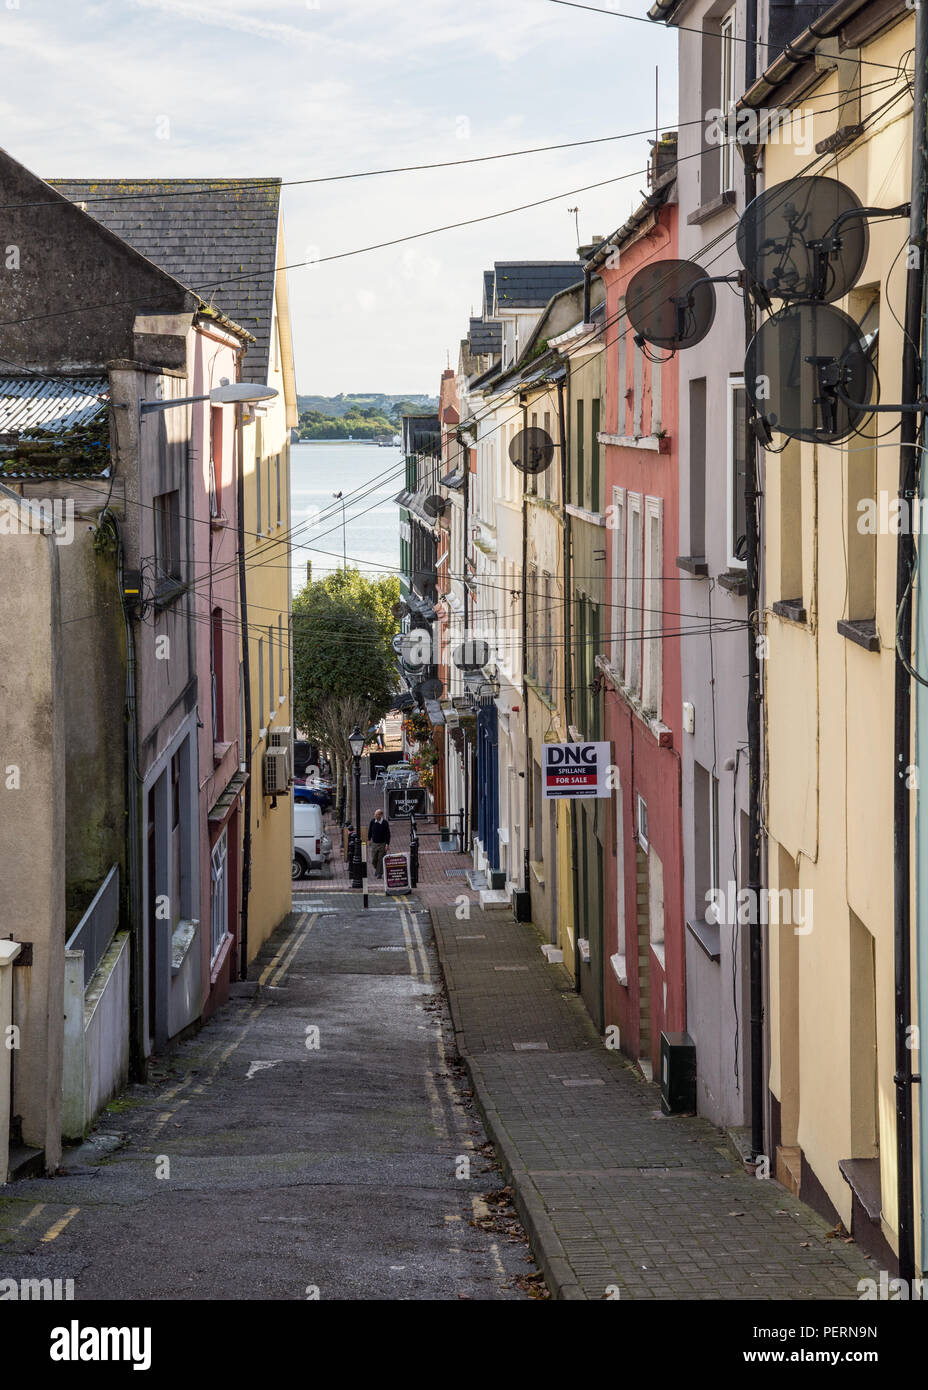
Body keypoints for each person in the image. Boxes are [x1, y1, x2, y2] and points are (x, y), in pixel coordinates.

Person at [367, 808, 391, 878]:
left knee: (380, 859)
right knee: (374, 859)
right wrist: (369, 839)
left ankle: (379, 873)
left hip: (382, 844)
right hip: (374, 843)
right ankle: (378, 870)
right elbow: (370, 831)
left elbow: (388, 834)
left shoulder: (385, 823)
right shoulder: (372, 821)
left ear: (381, 815)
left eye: (377, 814)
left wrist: (387, 844)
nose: (375, 815)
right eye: (375, 814)